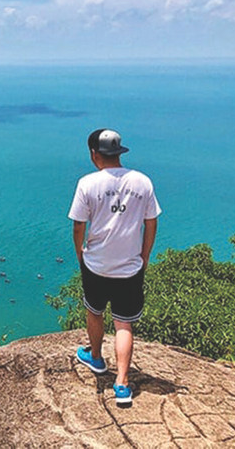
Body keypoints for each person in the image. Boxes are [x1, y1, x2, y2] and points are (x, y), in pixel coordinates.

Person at [68, 129, 161, 405]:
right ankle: (122, 384)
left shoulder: (87, 183)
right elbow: (151, 222)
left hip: (96, 264)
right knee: (124, 324)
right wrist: (144, 256)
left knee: (94, 312)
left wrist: (80, 254)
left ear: (94, 154)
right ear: (120, 152)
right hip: (129, 268)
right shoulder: (142, 182)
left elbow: (78, 225)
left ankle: (96, 358)